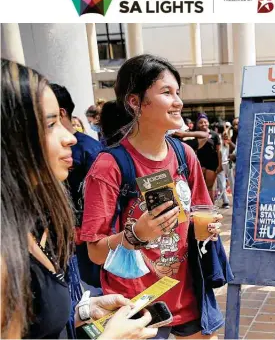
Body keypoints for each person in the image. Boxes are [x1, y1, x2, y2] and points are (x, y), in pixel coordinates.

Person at [1, 58, 157, 339]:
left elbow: (36, 323)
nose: (70, 137)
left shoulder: (33, 222)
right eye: (50, 126)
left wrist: (83, 311)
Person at [81, 54, 229, 339]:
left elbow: (200, 212)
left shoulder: (184, 156)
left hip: (189, 297)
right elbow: (96, 252)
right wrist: (135, 234)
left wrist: (208, 230)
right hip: (136, 307)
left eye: (178, 93)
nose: (178, 102)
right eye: (166, 93)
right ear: (135, 102)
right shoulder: (109, 167)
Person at [50, 83, 105, 288]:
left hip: (85, 244)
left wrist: (84, 229)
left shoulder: (90, 150)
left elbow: (104, 199)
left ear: (61, 112)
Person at [186, 113, 223, 203]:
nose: (203, 124)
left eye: (205, 122)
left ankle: (211, 206)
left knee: (209, 187)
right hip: (200, 162)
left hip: (212, 163)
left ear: (208, 123)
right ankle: (202, 205)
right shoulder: (195, 135)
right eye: (201, 122)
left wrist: (220, 165)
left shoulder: (214, 135)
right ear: (197, 124)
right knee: (200, 186)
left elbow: (219, 151)